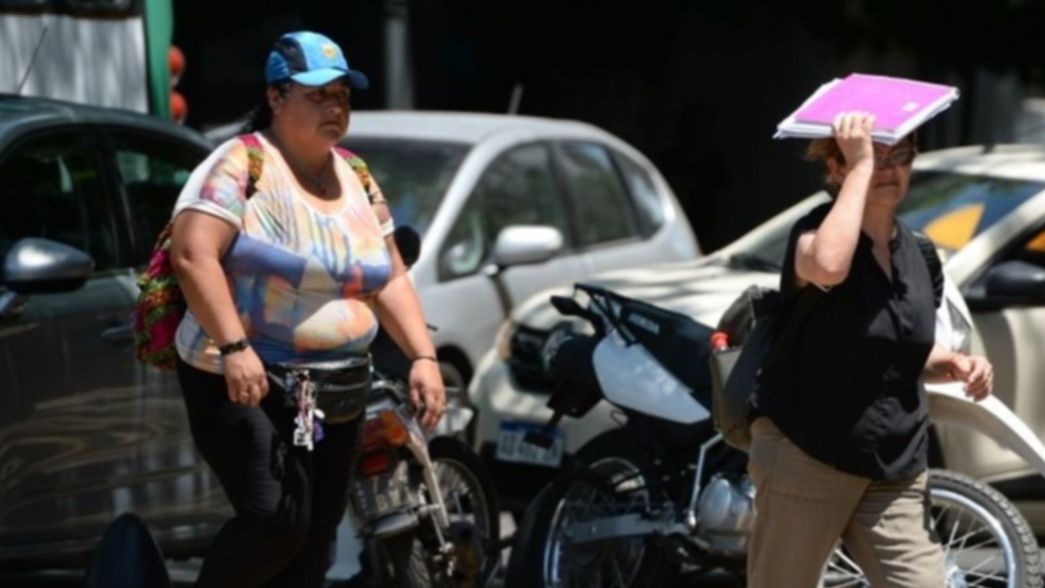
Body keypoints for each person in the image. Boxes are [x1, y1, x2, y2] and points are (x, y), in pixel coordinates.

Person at [168, 31, 445, 587]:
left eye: (342, 95)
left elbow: (389, 273)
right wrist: (234, 346)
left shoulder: (356, 174)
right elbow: (193, 254)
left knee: (314, 537)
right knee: (275, 519)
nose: (334, 107)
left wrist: (423, 356)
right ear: (276, 97)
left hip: (332, 387)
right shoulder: (241, 164)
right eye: (317, 95)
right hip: (245, 378)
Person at [746, 112, 994, 588]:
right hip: (808, 452)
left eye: (900, 156)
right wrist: (861, 166)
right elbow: (829, 267)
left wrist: (955, 362)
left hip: (894, 466)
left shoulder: (919, 253)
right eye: (873, 156)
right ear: (836, 168)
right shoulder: (813, 234)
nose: (888, 169)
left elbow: (902, 345)